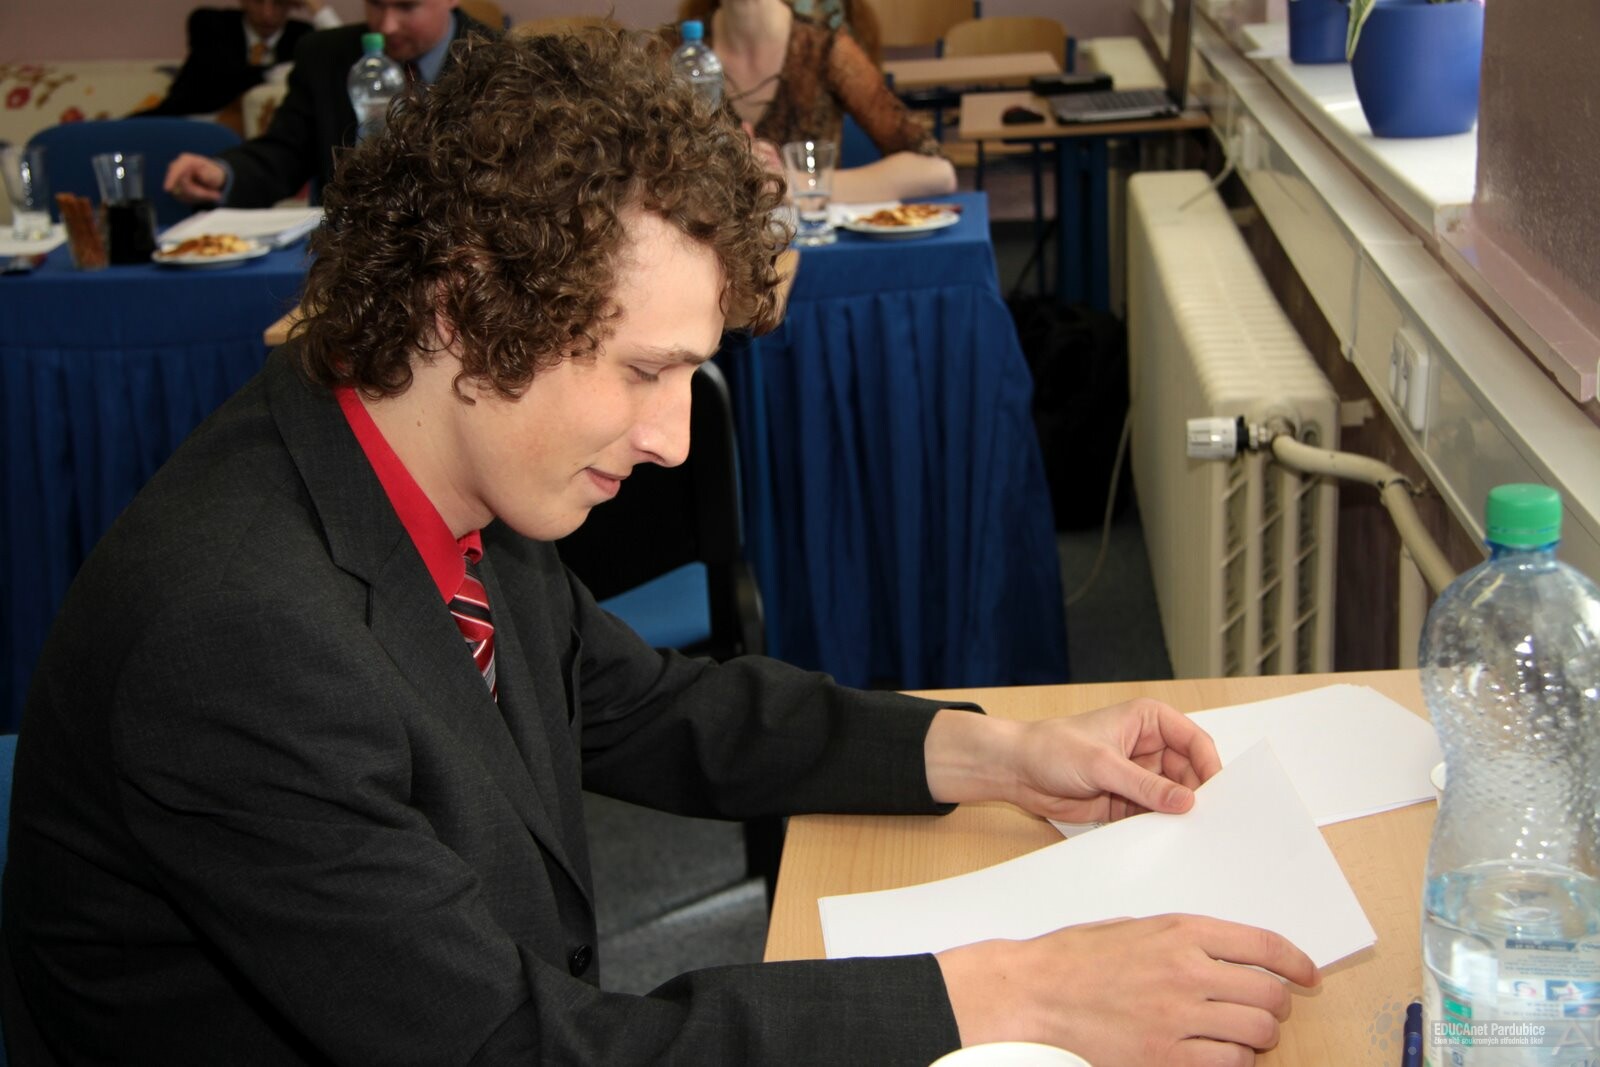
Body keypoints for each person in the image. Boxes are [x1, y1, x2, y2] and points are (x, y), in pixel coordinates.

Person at [1, 29, 1317, 1065]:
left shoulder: (423, 455)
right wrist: (1009, 992)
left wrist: (1001, 753)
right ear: (464, 306)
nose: (677, 438)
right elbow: (509, 1047)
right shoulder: (238, 637)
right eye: (644, 370)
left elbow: (647, 705)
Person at [163, 0, 492, 209]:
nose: (386, 25)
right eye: (375, 4)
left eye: (406, 6)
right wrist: (223, 173)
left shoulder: (498, 60)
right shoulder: (324, 55)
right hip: (345, 254)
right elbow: (285, 152)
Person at [675, 0, 956, 202]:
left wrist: (790, 184)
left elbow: (937, 171)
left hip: (813, 251)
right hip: (707, 258)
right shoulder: (674, 53)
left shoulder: (826, 49)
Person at [134, 0, 341, 119]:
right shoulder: (210, 22)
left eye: (278, 2)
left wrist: (316, 6)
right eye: (258, 1)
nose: (267, 14)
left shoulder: (302, 35)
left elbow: (344, 58)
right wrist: (278, 73)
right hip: (183, 121)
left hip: (252, 145)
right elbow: (226, 76)